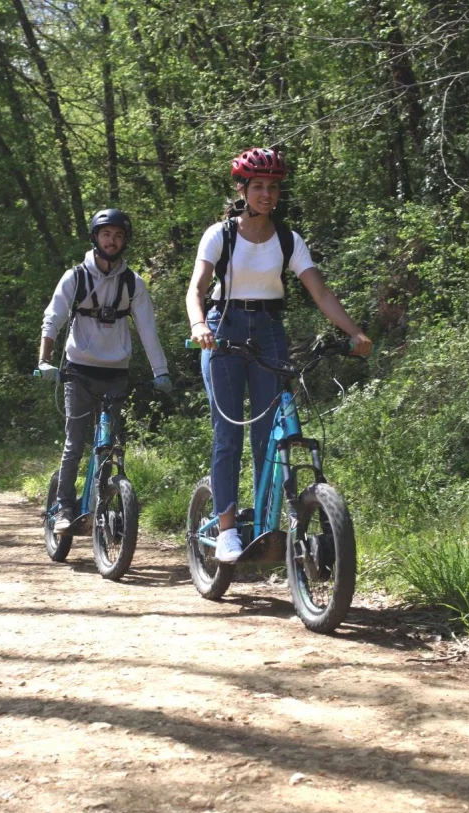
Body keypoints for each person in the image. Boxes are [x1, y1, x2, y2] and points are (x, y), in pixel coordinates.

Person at [186, 147, 372, 563]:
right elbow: (197, 288)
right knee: (229, 434)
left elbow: (319, 291)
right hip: (223, 328)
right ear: (243, 189)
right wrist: (199, 325)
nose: (266, 194)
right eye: (258, 187)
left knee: (268, 434)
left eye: (273, 187)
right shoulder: (221, 235)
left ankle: (266, 526)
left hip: (269, 331)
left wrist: (355, 331)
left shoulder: (289, 240)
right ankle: (229, 528)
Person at [39, 208, 172, 532]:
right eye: (106, 234)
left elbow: (148, 330)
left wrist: (161, 372)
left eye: (118, 235)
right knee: (75, 442)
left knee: (112, 445)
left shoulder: (132, 283)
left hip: (116, 372)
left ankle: (108, 505)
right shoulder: (76, 277)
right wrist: (44, 360)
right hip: (78, 372)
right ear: (95, 238)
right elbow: (53, 318)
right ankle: (64, 509)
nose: (112, 240)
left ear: (124, 241)